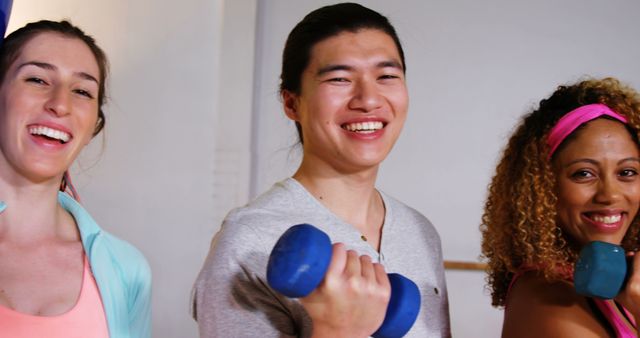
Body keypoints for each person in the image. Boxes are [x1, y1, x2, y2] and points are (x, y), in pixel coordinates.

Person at [192, 3, 450, 338]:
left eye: (387, 76)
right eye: (340, 79)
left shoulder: (420, 231)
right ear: (291, 103)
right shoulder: (249, 240)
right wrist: (337, 329)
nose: (369, 99)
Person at [0, 20, 151, 337]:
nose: (60, 104)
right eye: (37, 79)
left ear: (93, 126)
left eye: (82, 91)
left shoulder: (128, 270)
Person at [480, 77, 640, 337]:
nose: (610, 194)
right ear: (542, 186)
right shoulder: (546, 298)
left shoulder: (621, 284)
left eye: (627, 171)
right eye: (584, 174)